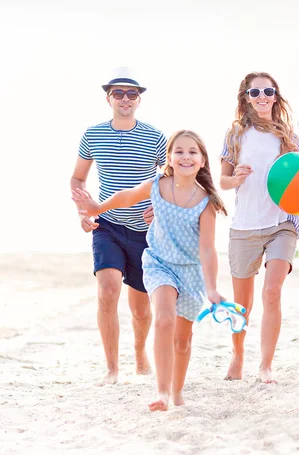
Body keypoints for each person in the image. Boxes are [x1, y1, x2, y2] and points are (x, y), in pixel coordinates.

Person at [73, 130, 227, 411]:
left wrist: (213, 287)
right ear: (168, 157)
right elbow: (127, 196)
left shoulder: (207, 203)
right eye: (178, 151)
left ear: (203, 161)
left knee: (182, 340)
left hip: (190, 271)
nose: (185, 156)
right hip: (159, 263)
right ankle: (162, 393)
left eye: (192, 152)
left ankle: (177, 391)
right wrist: (97, 206)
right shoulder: (158, 184)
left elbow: (207, 249)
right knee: (164, 319)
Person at [219, 71, 299, 383]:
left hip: (282, 224)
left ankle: (265, 365)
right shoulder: (235, 135)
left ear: (276, 96)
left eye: (268, 91)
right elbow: (223, 181)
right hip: (244, 226)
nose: (263, 97)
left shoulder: (288, 137)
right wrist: (236, 178)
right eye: (255, 93)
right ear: (246, 98)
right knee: (242, 304)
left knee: (271, 292)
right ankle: (238, 355)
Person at [70, 67, 167, 385]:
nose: (125, 98)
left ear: (139, 100)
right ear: (108, 98)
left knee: (140, 309)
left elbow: (171, 181)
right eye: (119, 93)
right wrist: (83, 210)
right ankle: (112, 369)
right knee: (107, 291)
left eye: (132, 93)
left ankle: (140, 354)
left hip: (144, 232)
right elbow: (78, 178)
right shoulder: (93, 134)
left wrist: (160, 208)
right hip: (107, 226)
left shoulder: (155, 137)